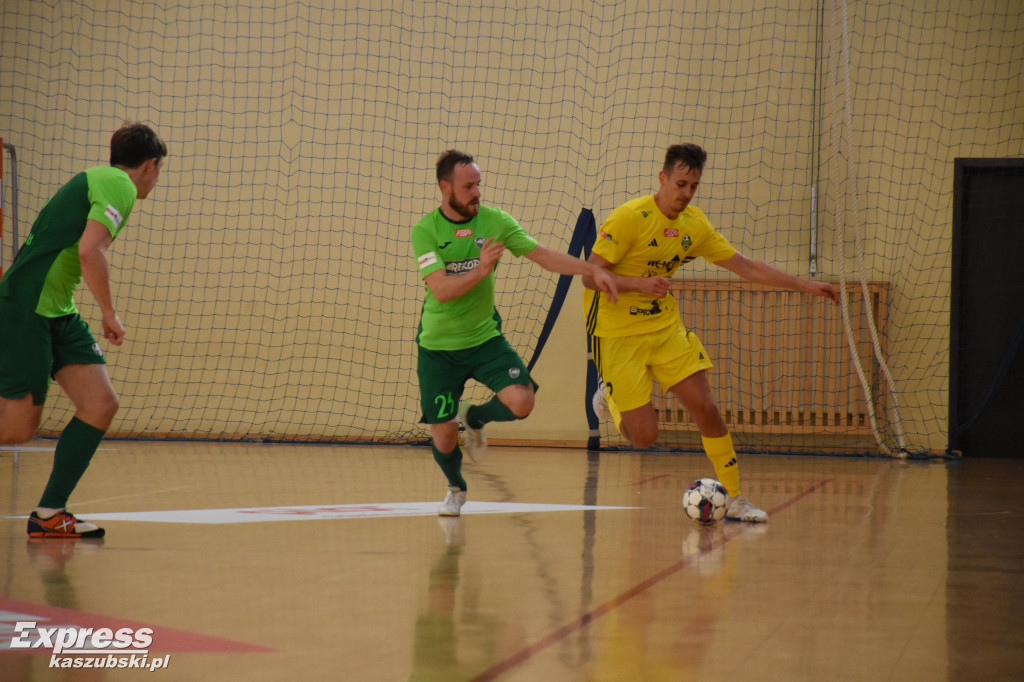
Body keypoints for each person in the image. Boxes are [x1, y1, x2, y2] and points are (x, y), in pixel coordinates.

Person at [582, 143, 839, 522]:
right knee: (644, 438)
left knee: (707, 409)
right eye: (681, 184)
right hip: (617, 332)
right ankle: (608, 395)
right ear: (663, 178)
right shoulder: (629, 218)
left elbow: (745, 266)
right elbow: (589, 274)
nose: (686, 193)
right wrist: (640, 284)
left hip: (665, 328)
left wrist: (804, 284)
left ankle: (734, 498)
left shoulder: (694, 225)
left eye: (693, 187)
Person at [413, 149, 618, 516]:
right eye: (469, 186)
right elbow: (441, 290)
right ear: (445, 188)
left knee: (522, 401)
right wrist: (481, 269)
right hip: (438, 348)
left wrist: (590, 270)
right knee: (443, 437)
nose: (477, 192)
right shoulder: (425, 230)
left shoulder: (496, 222)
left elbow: (542, 255)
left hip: (484, 339)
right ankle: (457, 488)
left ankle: (473, 417)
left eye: (479, 184)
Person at [0, 123, 167, 538]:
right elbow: (90, 249)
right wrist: (109, 312)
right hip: (28, 306)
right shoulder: (118, 184)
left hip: (57, 310)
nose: (156, 177)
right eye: (158, 169)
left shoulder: (100, 179)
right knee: (19, 428)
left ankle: (50, 513)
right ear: (150, 165)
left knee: (100, 404)